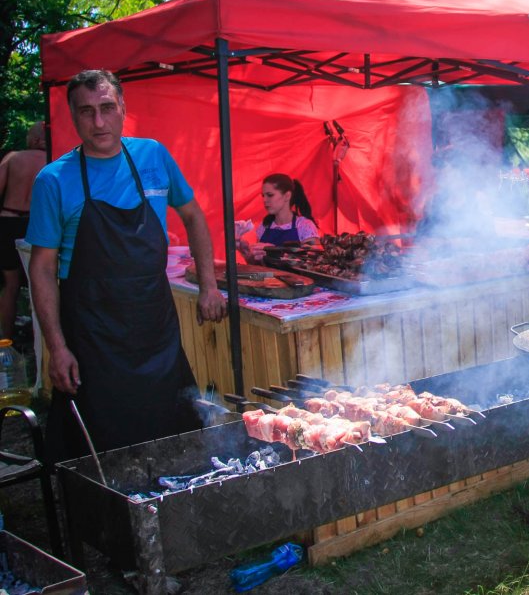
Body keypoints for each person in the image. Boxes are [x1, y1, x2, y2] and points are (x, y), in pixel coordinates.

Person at [26, 69, 227, 464]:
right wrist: (57, 347)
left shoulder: (153, 156)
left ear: (122, 107)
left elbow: (193, 215)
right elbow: (42, 269)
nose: (99, 122)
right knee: (103, 447)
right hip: (92, 333)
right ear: (72, 116)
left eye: (107, 108)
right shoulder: (53, 180)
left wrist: (209, 285)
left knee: (174, 435)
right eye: (86, 111)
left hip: (154, 324)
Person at [0, 122, 47, 339]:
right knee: (39, 282)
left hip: (8, 221)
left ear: (35, 139)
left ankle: (6, 340)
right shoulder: (54, 161)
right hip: (36, 224)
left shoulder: (12, 158)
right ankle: (39, 340)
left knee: (10, 285)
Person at [239, 173, 320, 263]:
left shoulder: (304, 226)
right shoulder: (264, 226)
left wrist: (275, 252)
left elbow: (312, 261)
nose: (265, 200)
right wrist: (246, 253)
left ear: (287, 196)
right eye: (263, 196)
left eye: (270, 195)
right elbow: (258, 265)